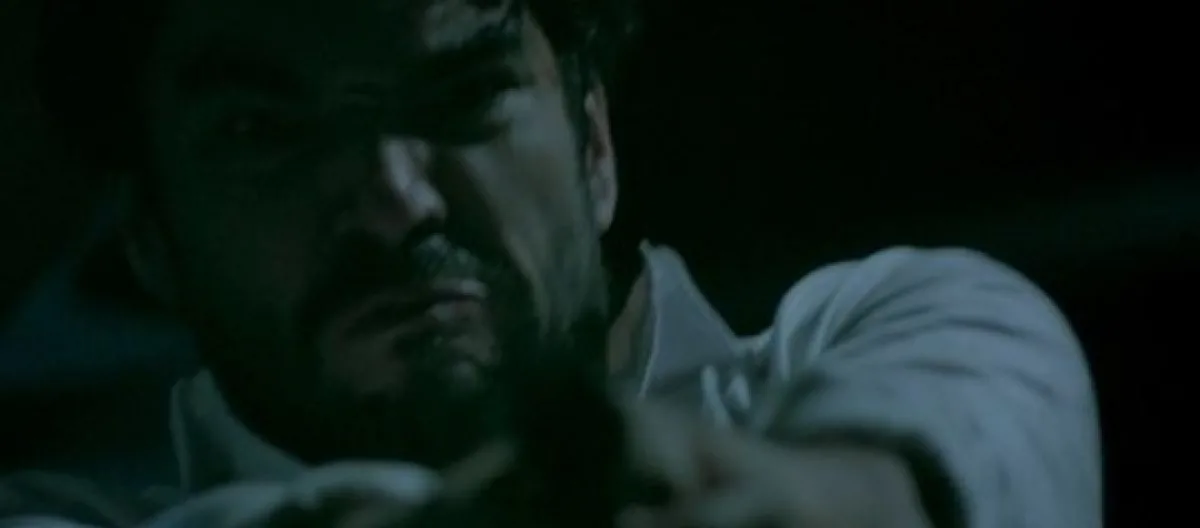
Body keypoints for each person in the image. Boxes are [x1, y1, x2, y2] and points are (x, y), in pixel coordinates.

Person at [6, 0, 1100, 525]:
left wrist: (792, 503)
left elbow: (945, 446)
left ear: (594, 143)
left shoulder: (896, 328)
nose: (396, 199)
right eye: (262, 130)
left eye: (466, 92)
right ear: (149, 241)